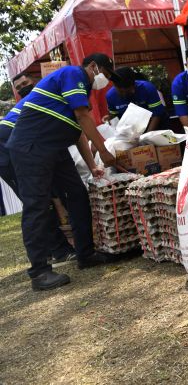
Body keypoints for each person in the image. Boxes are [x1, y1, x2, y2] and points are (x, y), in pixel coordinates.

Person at [6, 53, 120, 291]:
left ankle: (85, 254)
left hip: (55, 147)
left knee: (77, 194)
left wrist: (94, 167)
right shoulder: (73, 74)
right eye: (106, 75)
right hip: (32, 146)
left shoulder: (81, 93)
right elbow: (82, 116)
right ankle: (39, 272)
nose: (105, 81)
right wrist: (104, 151)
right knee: (37, 205)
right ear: (93, 67)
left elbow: (78, 130)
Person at [1, 74, 76, 266]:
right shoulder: (46, 99)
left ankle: (52, 251)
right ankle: (56, 252)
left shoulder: (42, 97)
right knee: (37, 202)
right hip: (7, 149)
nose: (24, 87)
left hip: (16, 147)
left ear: (34, 81)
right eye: (20, 86)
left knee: (41, 199)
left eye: (26, 83)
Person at [105, 67, 166, 131]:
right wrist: (109, 119)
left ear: (134, 84)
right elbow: (114, 117)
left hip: (155, 127)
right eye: (121, 92)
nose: (124, 94)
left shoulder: (147, 88)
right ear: (115, 86)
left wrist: (147, 136)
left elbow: (157, 115)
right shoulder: (110, 96)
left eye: (129, 90)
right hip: (131, 132)